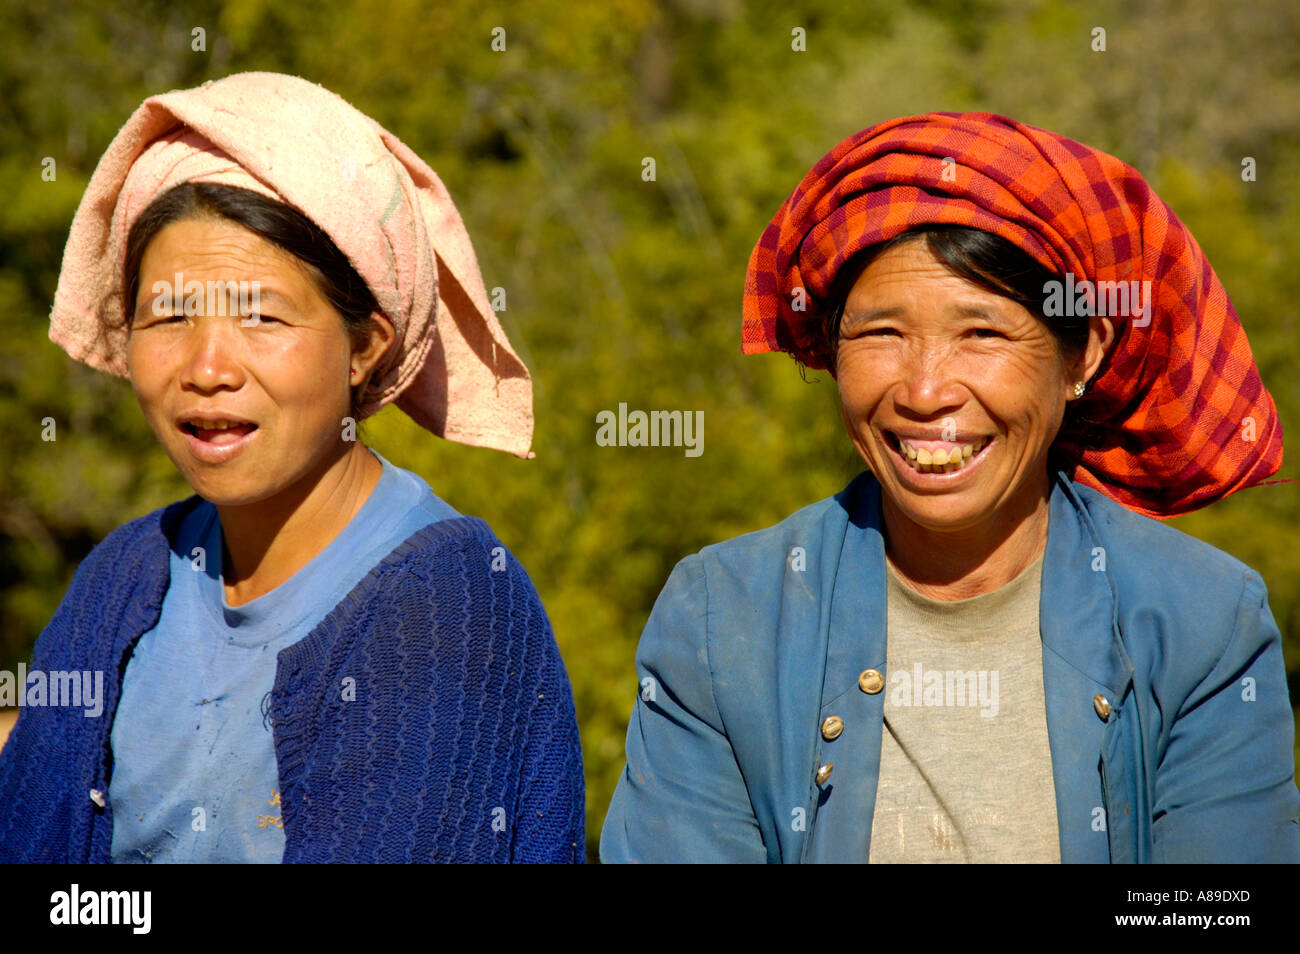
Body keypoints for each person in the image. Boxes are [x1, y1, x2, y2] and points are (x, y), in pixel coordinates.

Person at [601, 111, 1299, 863]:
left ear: (1081, 357)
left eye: (983, 333)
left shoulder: (1199, 624)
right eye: (880, 333)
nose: (926, 391)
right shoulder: (723, 621)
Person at [0, 72, 583, 863]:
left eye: (261, 317)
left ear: (365, 347)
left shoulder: (445, 606)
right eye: (168, 314)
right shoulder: (120, 585)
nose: (206, 367)